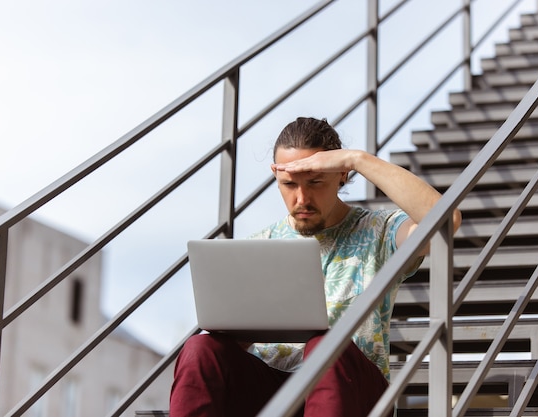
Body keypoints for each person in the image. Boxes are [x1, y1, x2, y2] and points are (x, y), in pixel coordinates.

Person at [169, 117, 461, 417]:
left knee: (325, 344)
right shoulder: (261, 244)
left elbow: (446, 223)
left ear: (341, 175)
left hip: (352, 392)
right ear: (276, 176)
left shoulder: (380, 230)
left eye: (315, 181)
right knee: (199, 349)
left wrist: (356, 158)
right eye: (289, 184)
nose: (302, 198)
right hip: (273, 392)